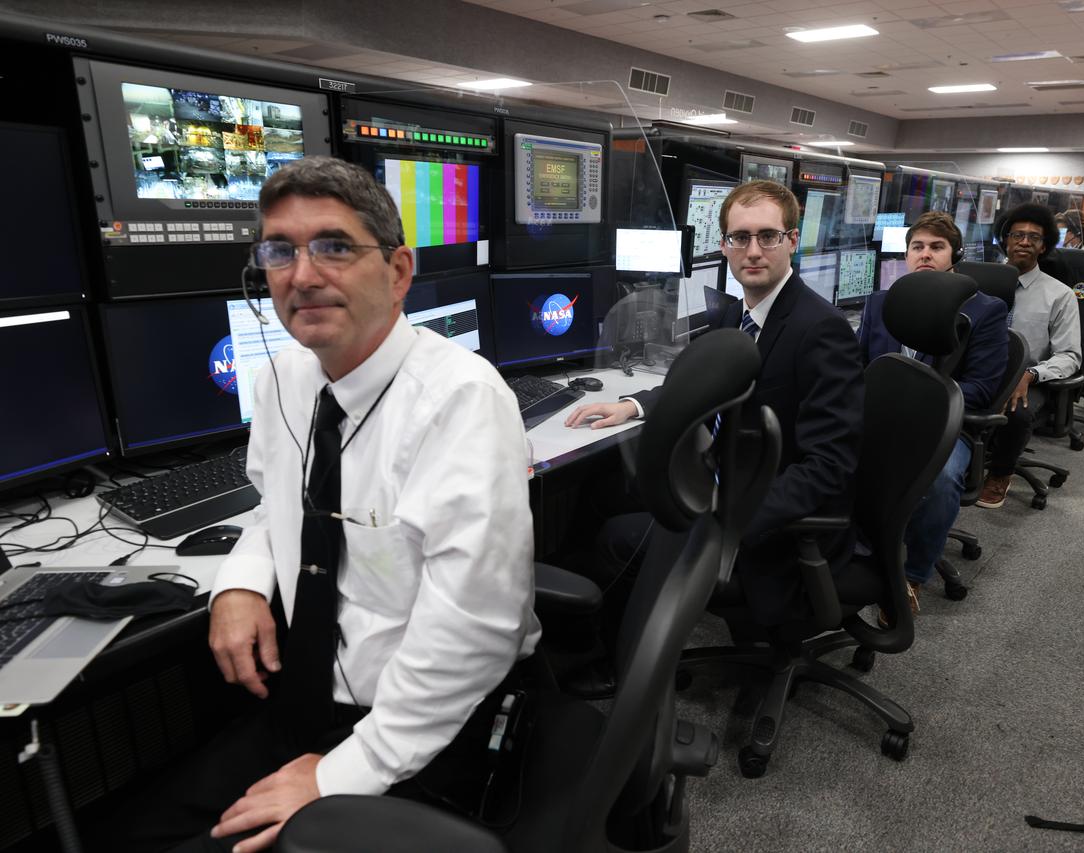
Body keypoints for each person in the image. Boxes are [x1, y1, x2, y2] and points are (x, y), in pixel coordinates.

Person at [111, 156, 539, 853]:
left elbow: (477, 631)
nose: (302, 275)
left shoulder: (462, 399)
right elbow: (272, 504)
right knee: (131, 833)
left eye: (334, 246)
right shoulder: (286, 375)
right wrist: (244, 583)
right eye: (280, 250)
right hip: (305, 700)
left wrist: (347, 769)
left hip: (419, 719)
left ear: (397, 272)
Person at [561, 180, 864, 695]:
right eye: (738, 237)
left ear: (793, 241)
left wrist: (727, 518)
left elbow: (829, 465)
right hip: (721, 479)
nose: (752, 250)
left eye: (767, 236)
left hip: (764, 518)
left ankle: (619, 665)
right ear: (722, 245)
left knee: (618, 539)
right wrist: (634, 404)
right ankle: (573, 630)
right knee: (596, 489)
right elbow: (701, 383)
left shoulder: (820, 329)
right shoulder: (733, 312)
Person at [857, 212, 1008, 619]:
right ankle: (849, 555)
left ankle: (911, 574)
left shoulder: (985, 311)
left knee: (940, 481)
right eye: (917, 247)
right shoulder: (880, 303)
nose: (925, 255)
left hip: (945, 425)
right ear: (906, 255)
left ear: (955, 254)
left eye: (936, 247)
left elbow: (982, 386)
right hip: (880, 419)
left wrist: (921, 405)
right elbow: (858, 365)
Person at [977, 202, 1082, 509]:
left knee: (1016, 412)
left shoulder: (1060, 295)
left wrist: (1032, 373)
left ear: (1044, 246)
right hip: (981, 369)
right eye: (1017, 235)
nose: (1024, 241)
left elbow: (1070, 356)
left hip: (1029, 379)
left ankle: (1000, 473)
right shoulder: (979, 282)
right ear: (1004, 240)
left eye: (1033, 237)